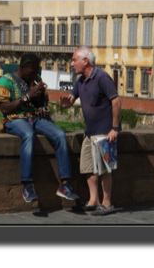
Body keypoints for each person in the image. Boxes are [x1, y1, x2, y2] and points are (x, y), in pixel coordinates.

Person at [0, 53, 79, 203]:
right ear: (21, 68)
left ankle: (64, 184)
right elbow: (4, 109)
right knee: (28, 135)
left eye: (36, 72)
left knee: (59, 135)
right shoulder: (5, 81)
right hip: (14, 119)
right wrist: (27, 97)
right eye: (31, 72)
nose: (33, 76)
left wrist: (39, 97)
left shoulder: (36, 81)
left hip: (35, 118)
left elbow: (42, 107)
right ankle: (27, 186)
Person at [60, 46, 122, 215]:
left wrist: (114, 129)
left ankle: (107, 203)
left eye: (74, 60)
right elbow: (71, 99)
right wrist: (66, 103)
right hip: (89, 132)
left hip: (105, 132)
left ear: (85, 61)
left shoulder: (102, 78)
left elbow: (116, 102)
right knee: (88, 167)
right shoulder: (80, 81)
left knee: (104, 168)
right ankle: (93, 201)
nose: (72, 64)